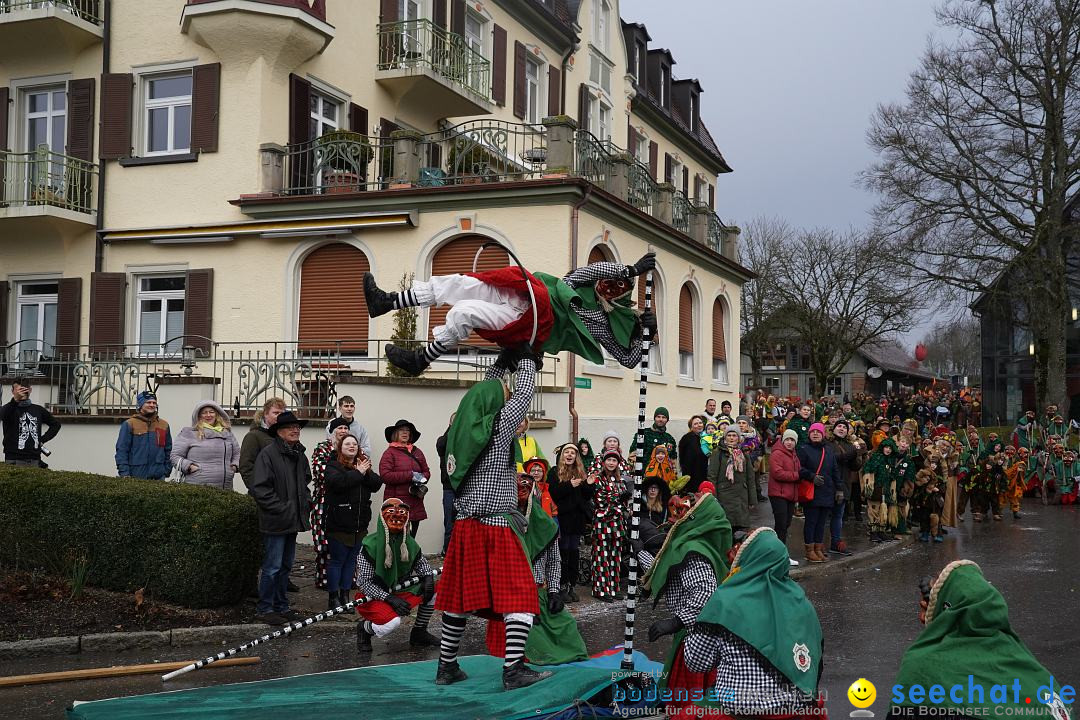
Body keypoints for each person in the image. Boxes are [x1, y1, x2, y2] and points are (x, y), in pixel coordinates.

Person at [435, 349, 550, 690]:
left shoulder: (462, 431)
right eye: (504, 399)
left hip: (466, 526)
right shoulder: (498, 432)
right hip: (496, 526)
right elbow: (524, 395)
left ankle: (446, 667)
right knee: (521, 597)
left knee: (458, 600)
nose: (507, 401)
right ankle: (513, 670)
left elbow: (481, 393)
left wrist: (504, 360)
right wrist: (528, 361)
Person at [364, 254, 658, 375]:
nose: (607, 287)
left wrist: (643, 337)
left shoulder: (604, 325)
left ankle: (421, 359)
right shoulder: (578, 285)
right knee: (463, 283)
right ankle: (388, 302)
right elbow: (583, 273)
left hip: (533, 324)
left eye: (617, 287)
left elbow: (628, 361)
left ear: (622, 296)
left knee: (464, 313)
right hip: (526, 293)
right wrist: (629, 270)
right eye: (610, 280)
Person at [890, 560, 1074, 720]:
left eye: (926, 608)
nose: (921, 617)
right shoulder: (1031, 668)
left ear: (947, 611)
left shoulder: (922, 668)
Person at [683, 527, 824, 718]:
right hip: (795, 707)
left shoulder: (726, 600)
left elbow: (696, 662)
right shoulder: (802, 602)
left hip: (742, 708)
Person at [638, 493, 732, 720]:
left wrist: (675, 621)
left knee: (692, 703)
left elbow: (705, 593)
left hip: (698, 638)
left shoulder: (694, 550)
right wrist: (639, 552)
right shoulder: (693, 544)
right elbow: (667, 571)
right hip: (695, 633)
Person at [484, 471, 588, 665]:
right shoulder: (500, 526)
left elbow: (554, 561)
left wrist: (554, 593)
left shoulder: (547, 526)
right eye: (518, 489)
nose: (522, 493)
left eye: (526, 488)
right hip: (510, 597)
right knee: (528, 636)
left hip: (540, 594)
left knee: (566, 626)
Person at [248, 411, 312, 625]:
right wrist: (284, 509)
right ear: (279, 432)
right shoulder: (268, 454)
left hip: (291, 520)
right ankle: (265, 608)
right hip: (276, 521)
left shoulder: (299, 455)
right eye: (290, 427)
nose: (296, 430)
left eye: (298, 427)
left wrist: (306, 503)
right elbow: (261, 489)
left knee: (285, 567)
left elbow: (305, 483)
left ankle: (281, 606)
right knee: (272, 567)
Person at [354, 498, 439, 652]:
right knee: (391, 624)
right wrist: (389, 598)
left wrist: (427, 578)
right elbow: (364, 584)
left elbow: (422, 565)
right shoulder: (369, 546)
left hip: (399, 590)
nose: (397, 517)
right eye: (391, 512)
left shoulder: (409, 543)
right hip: (375, 596)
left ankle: (419, 632)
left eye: (401, 513)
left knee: (435, 587)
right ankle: (364, 629)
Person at [324, 433, 382, 609]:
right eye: (347, 444)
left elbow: (377, 484)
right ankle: (333, 598)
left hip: (359, 524)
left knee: (351, 561)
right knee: (337, 561)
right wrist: (359, 472)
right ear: (340, 448)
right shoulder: (333, 465)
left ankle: (345, 596)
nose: (351, 446)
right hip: (339, 523)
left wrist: (365, 471)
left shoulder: (362, 466)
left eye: (354, 444)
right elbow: (337, 483)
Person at [548, 442, 593, 603]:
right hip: (562, 518)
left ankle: (572, 586)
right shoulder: (554, 472)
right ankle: (560, 585)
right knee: (562, 553)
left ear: (576, 457)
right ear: (562, 455)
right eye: (566, 452)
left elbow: (586, 497)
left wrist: (588, 485)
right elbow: (553, 493)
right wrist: (569, 485)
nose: (569, 455)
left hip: (576, 519)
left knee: (574, 552)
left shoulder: (580, 472)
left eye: (572, 453)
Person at [310, 417, 352, 590]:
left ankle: (345, 581)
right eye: (339, 428)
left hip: (346, 503)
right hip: (324, 503)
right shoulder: (322, 448)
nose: (343, 430)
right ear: (332, 431)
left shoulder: (352, 448)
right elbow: (323, 474)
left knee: (346, 543)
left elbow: (361, 471)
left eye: (345, 428)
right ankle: (325, 579)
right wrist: (346, 476)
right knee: (325, 544)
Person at [170, 400, 241, 489]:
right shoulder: (189, 433)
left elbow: (237, 454)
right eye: (204, 413)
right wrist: (190, 467)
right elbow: (175, 456)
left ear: (217, 414)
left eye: (211, 412)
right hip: (197, 487)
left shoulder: (227, 433)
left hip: (225, 487)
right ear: (199, 416)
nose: (208, 415)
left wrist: (234, 467)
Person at [379, 419, 430, 537]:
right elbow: (385, 476)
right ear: (395, 433)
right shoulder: (389, 453)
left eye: (407, 430)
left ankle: (411, 556)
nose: (405, 432)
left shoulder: (418, 452)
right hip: (397, 503)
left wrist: (422, 478)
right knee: (397, 538)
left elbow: (426, 472)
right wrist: (410, 475)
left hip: (415, 500)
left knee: (412, 538)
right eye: (401, 430)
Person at [797, 423, 839, 564]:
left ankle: (818, 548)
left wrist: (839, 489)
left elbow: (835, 471)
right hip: (812, 492)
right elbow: (798, 468)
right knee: (811, 522)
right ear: (809, 434)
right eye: (813, 432)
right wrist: (811, 476)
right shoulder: (804, 449)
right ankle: (809, 550)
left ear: (823, 434)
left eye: (818, 432)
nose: (815, 434)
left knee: (821, 523)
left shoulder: (828, 450)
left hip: (827, 491)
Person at [591, 449, 629, 602]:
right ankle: (600, 589)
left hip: (617, 524)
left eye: (614, 461)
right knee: (602, 557)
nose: (611, 463)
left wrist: (623, 504)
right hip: (602, 523)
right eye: (609, 460)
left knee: (615, 556)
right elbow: (600, 500)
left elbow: (624, 502)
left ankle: (614, 587)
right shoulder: (598, 479)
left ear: (618, 463)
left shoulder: (620, 481)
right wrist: (618, 499)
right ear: (604, 462)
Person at [2, 376, 61, 467]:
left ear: (30, 390)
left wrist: (42, 439)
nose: (21, 392)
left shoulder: (38, 409)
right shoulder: (9, 408)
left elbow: (56, 424)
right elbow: (3, 415)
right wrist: (15, 400)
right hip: (14, 459)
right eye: (18, 390)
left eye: (24, 389)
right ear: (13, 391)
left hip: (34, 459)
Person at [115, 390, 171, 480]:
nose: (152, 405)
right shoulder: (130, 424)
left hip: (158, 478)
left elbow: (168, 450)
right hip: (135, 477)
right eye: (148, 402)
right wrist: (124, 473)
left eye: (154, 402)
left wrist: (166, 471)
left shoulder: (164, 425)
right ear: (141, 404)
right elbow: (122, 450)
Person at [707, 428, 754, 532]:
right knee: (726, 528)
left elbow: (750, 477)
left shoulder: (743, 453)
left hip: (741, 497)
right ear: (725, 437)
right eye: (729, 435)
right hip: (724, 496)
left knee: (741, 531)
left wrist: (752, 499)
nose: (731, 438)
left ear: (738, 438)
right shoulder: (718, 453)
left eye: (734, 435)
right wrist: (713, 498)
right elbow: (712, 476)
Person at [239, 397, 285, 489]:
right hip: (264, 495)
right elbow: (246, 467)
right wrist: (259, 491)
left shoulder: (285, 435)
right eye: (276, 413)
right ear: (265, 414)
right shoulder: (253, 436)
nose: (279, 416)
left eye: (282, 413)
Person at [768, 429, 801, 553]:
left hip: (790, 495)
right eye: (787, 439)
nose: (789, 442)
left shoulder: (794, 455)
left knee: (786, 524)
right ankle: (779, 553)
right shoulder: (777, 453)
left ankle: (779, 551)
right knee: (781, 525)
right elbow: (777, 473)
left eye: (792, 440)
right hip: (778, 494)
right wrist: (797, 475)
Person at [863, 438, 899, 543]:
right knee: (874, 509)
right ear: (882, 448)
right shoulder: (876, 458)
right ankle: (873, 532)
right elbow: (868, 471)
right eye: (886, 447)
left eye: (890, 448)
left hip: (886, 489)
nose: (888, 450)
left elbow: (892, 476)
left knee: (883, 510)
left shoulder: (891, 460)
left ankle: (881, 531)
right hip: (875, 488)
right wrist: (870, 488)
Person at [436, 414, 457, 555]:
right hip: (449, 488)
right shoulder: (444, 439)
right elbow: (441, 446)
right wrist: (452, 429)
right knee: (449, 522)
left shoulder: (466, 439)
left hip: (464, 488)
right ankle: (448, 551)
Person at [678, 415, 710, 493]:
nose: (699, 425)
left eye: (700, 423)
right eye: (695, 424)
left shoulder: (706, 438)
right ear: (691, 427)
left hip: (704, 475)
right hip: (692, 476)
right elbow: (683, 459)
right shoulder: (687, 439)